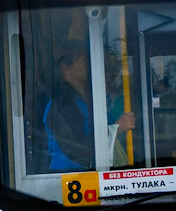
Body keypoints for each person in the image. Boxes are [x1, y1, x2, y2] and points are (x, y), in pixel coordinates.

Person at [43, 40, 137, 171]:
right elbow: (77, 150)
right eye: (80, 58)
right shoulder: (60, 106)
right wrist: (117, 128)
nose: (88, 61)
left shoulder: (94, 100)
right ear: (66, 69)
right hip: (67, 179)